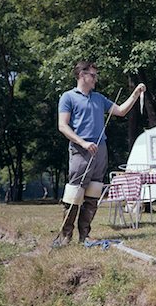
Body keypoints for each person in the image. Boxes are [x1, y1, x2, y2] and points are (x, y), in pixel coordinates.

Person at [57, 61, 146, 245]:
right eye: (93, 75)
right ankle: (66, 235)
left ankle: (85, 235)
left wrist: (136, 94)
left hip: (101, 149)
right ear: (82, 75)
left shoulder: (99, 98)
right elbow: (62, 126)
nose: (96, 78)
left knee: (94, 192)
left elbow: (120, 111)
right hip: (80, 150)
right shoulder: (68, 97)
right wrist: (82, 142)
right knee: (75, 192)